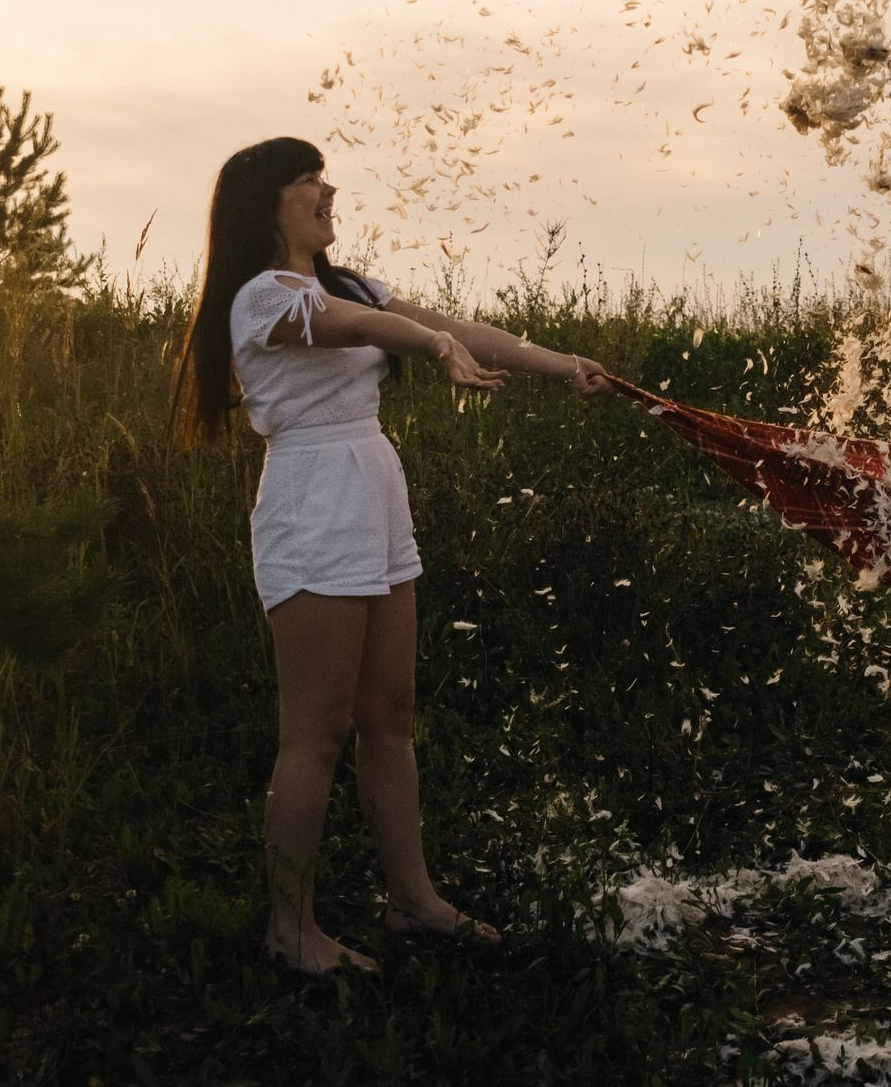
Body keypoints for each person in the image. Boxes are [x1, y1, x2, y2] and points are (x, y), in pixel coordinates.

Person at [171, 136, 612, 974]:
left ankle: (412, 899)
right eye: (309, 180)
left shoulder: (348, 283)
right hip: (312, 504)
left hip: (374, 494)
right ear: (267, 202)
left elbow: (441, 322)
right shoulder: (262, 297)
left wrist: (559, 364)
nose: (328, 190)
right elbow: (359, 327)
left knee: (391, 715)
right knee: (316, 730)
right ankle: (289, 926)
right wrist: (428, 346)